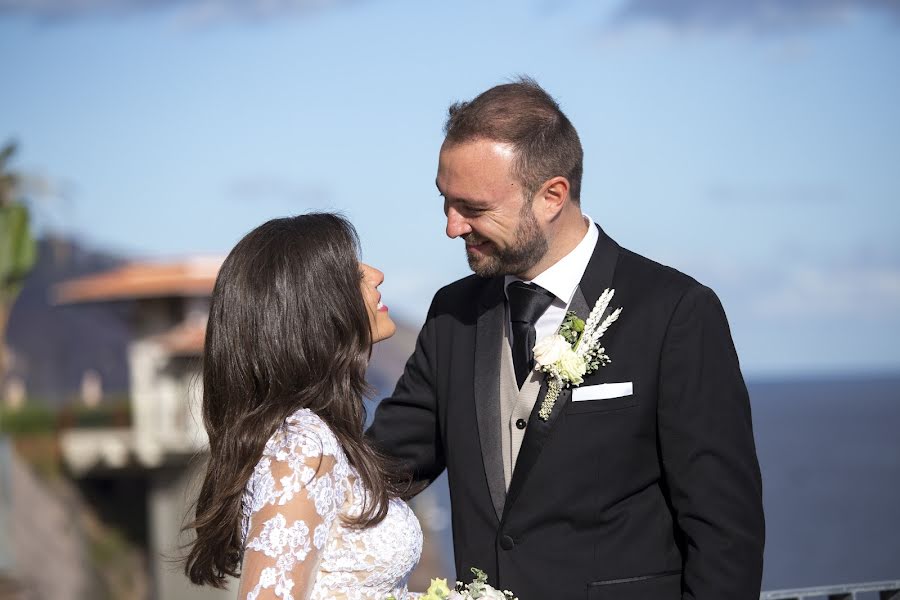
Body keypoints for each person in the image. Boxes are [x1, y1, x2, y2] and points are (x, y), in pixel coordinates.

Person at [368, 78, 765, 599]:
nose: (452, 227)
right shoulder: (452, 314)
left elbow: (724, 532)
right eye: (445, 202)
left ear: (552, 195)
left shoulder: (674, 313)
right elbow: (381, 468)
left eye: (473, 207)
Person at [184, 213, 423, 599]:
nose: (375, 274)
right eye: (351, 271)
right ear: (313, 308)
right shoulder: (301, 445)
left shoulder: (319, 435)